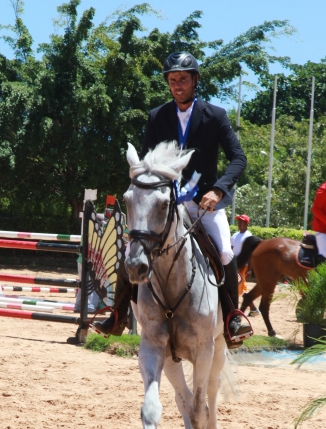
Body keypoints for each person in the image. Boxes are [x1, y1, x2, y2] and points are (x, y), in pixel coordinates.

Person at [94, 51, 253, 344]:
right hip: (164, 205)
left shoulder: (215, 115)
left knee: (224, 252)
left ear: (195, 80)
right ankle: (117, 314)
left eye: (183, 79)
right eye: (172, 80)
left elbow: (238, 158)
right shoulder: (158, 116)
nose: (177, 85)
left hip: (203, 205)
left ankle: (232, 318)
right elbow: (146, 163)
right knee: (132, 250)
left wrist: (218, 189)